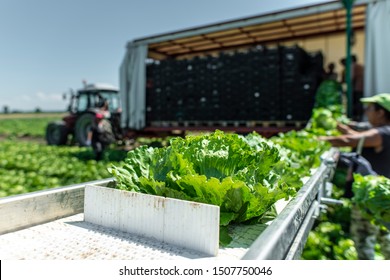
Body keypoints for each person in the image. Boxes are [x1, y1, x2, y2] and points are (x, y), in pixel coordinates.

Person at [319, 93, 390, 260]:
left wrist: (320, 138)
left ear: (381, 112)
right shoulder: (383, 132)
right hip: (381, 197)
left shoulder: (383, 133)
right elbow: (355, 137)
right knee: (385, 238)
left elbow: (350, 140)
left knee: (365, 241)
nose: (366, 111)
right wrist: (341, 128)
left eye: (370, 108)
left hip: (371, 197)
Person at [340, 55, 365, 121]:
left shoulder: (352, 67)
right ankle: (358, 117)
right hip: (360, 88)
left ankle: (356, 117)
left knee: (355, 104)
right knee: (358, 103)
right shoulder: (360, 66)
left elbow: (349, 79)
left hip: (356, 89)